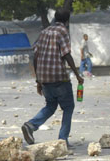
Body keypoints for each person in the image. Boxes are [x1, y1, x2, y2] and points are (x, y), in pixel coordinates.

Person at [21, 8, 84, 148]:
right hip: (59, 78)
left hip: (44, 78)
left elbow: (35, 56)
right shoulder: (63, 32)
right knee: (68, 107)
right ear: (67, 21)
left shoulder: (43, 32)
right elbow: (66, 54)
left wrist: (38, 80)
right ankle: (62, 139)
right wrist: (78, 74)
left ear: (55, 18)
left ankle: (31, 125)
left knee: (50, 105)